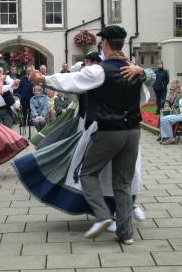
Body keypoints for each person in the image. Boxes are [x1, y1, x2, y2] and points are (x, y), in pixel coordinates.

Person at [30, 25, 146, 244]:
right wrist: (141, 72)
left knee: (87, 173)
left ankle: (102, 215)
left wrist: (43, 79)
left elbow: (71, 81)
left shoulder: (100, 70)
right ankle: (126, 234)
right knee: (122, 183)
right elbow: (144, 98)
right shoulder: (134, 70)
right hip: (133, 131)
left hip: (109, 131)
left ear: (104, 44)